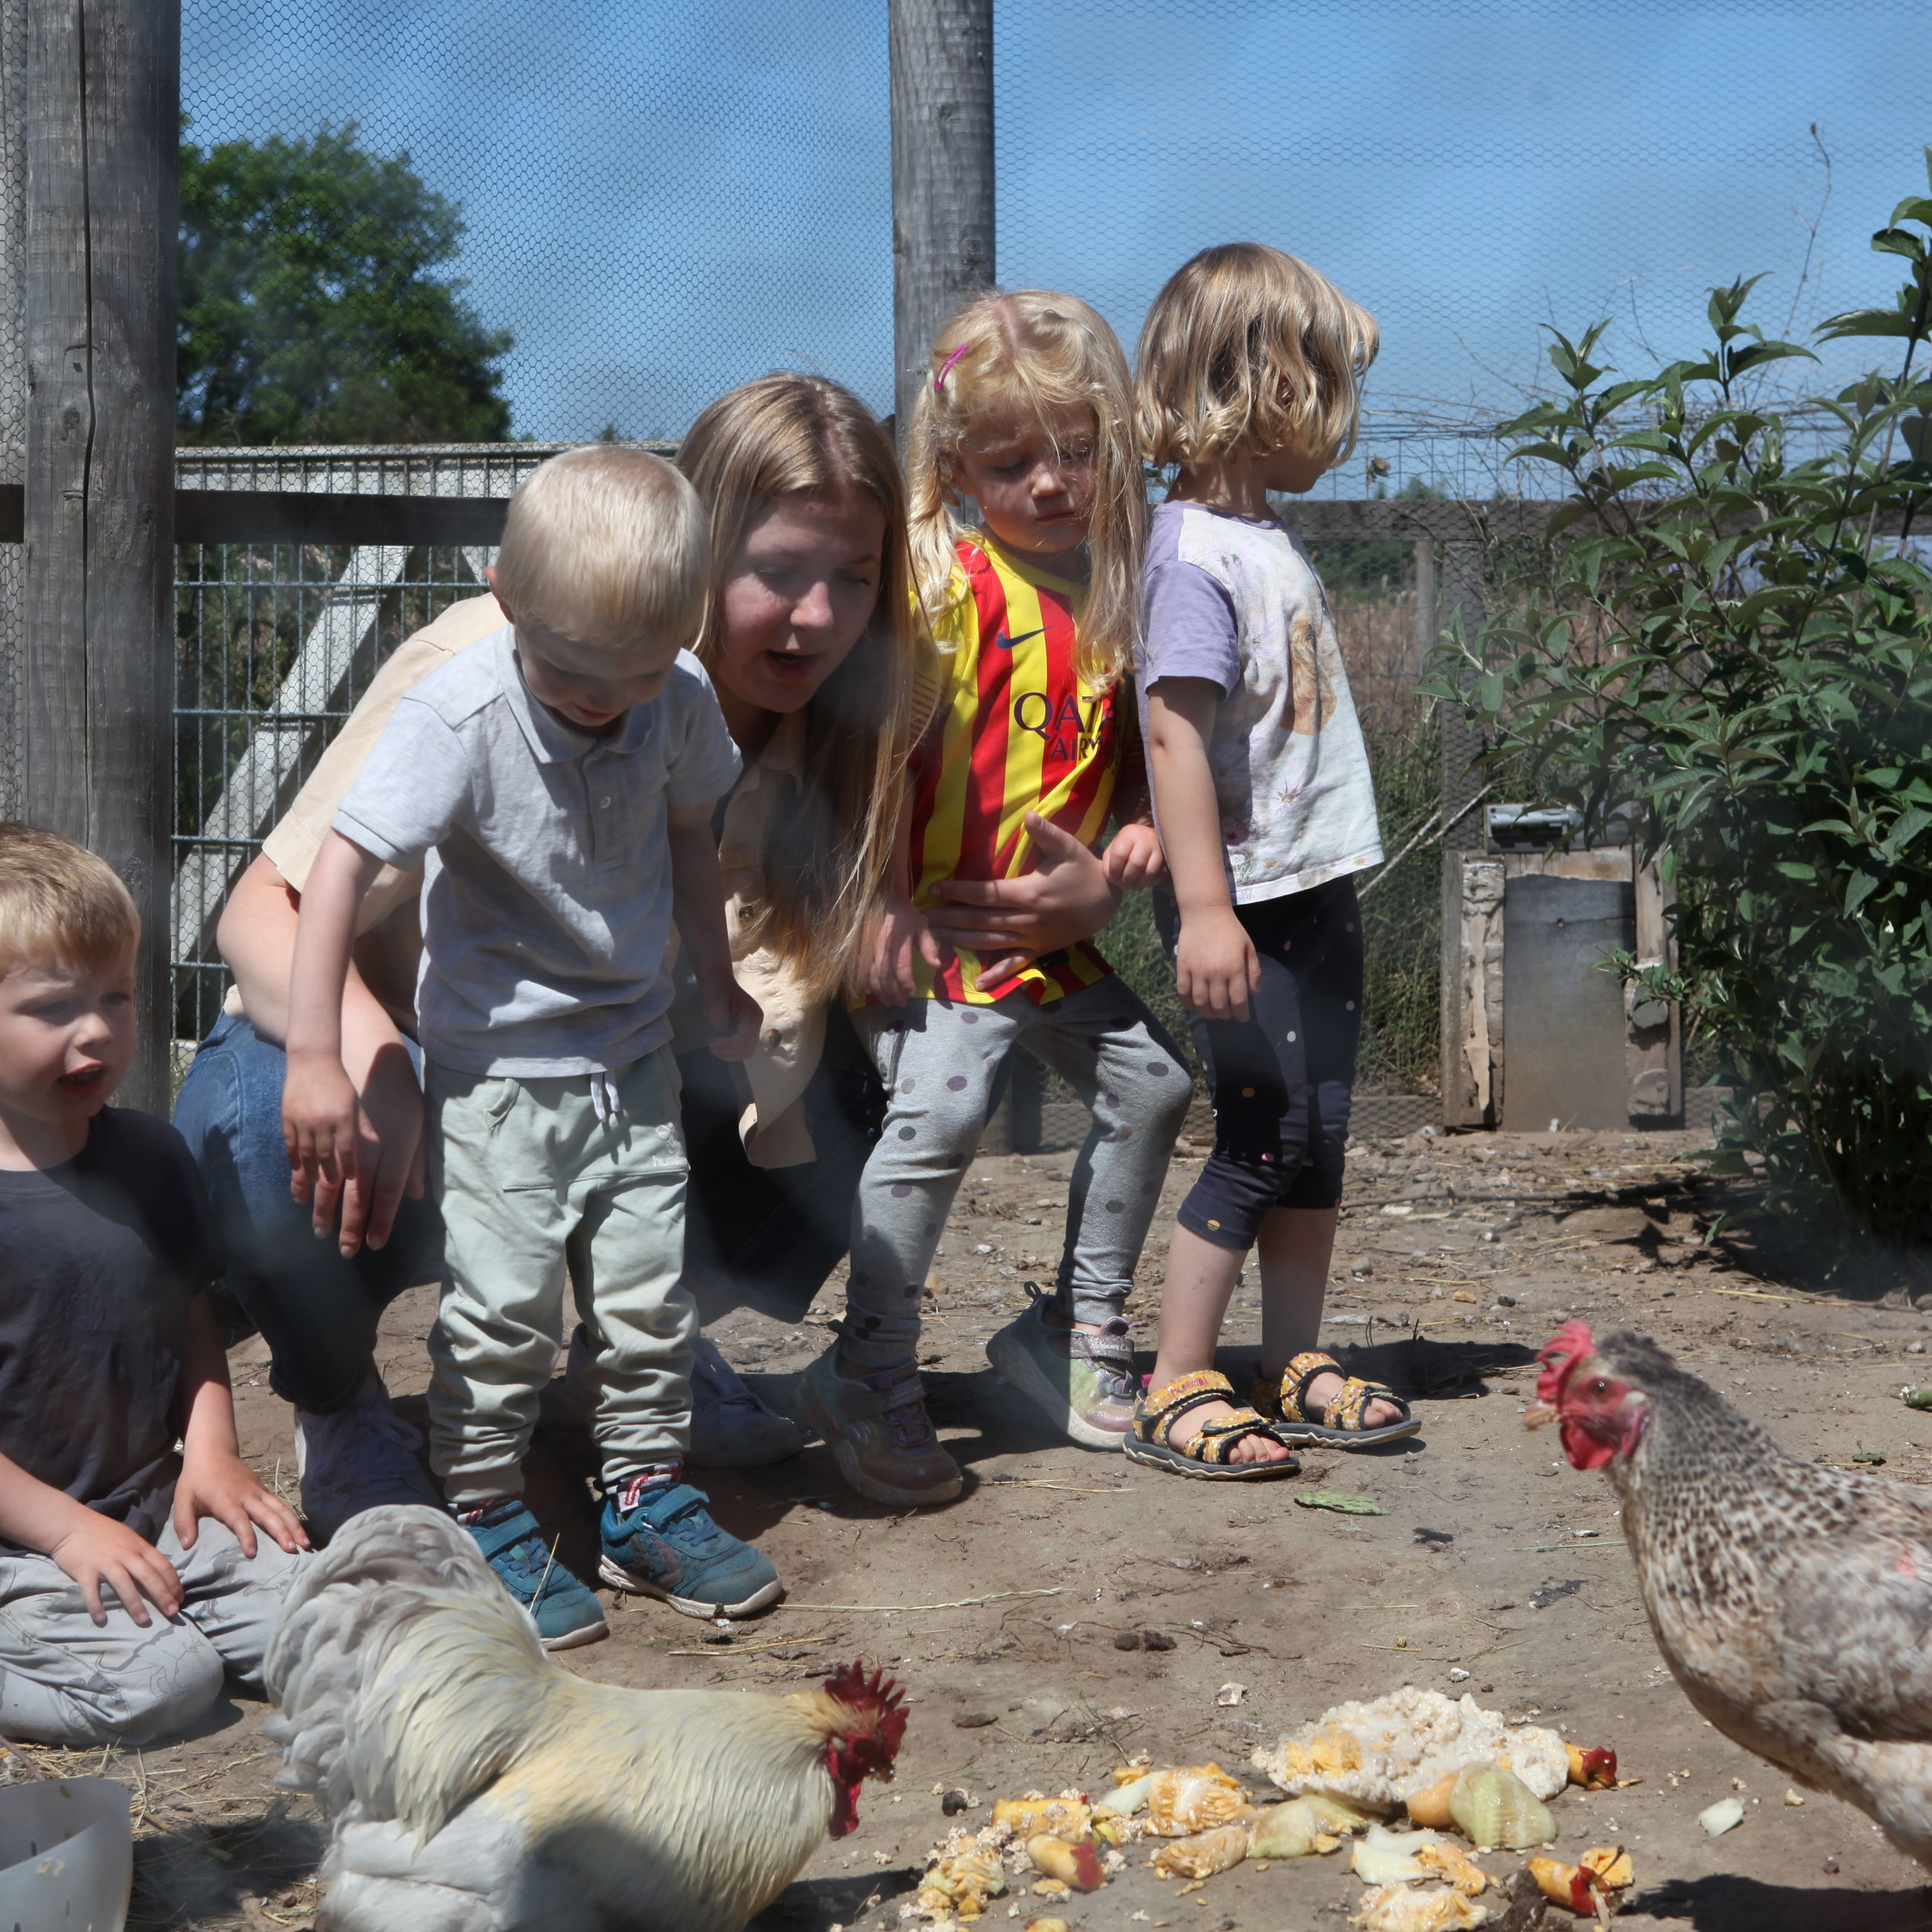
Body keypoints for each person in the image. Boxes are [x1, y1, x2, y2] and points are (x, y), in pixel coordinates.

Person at [177, 375, 1124, 1533]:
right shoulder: (510, 657)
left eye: (854, 577)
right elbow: (256, 910)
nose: (817, 617)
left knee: (880, 1072)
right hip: (424, 1056)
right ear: (699, 547)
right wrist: (366, 1054)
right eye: (778, 570)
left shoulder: (858, 711)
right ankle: (341, 1407)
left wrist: (1094, 894)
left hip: (616, 1065)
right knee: (267, 1134)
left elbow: (1032, 826)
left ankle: (626, 1357)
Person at [280, 444, 776, 1647]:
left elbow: (694, 832)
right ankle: (486, 1505)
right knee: (504, 1308)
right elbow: (339, 866)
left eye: (636, 676)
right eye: (572, 675)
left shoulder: (681, 694)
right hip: (499, 1072)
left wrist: (718, 975)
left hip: (633, 1055)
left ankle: (645, 1495)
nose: (604, 703)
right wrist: (315, 1052)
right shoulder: (460, 711)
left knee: (653, 1294)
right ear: (502, 594)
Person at [800, 289, 1193, 1509]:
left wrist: (1136, 832)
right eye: (1013, 460)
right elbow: (861, 751)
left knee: (1158, 1085)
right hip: (952, 931)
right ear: (960, 465)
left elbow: (1134, 753)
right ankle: (869, 1367)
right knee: (943, 1119)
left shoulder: (1119, 591)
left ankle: (1074, 1335)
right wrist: (871, 899)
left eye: (1077, 453)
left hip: (1052, 940)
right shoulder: (949, 589)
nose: (1051, 483)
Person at [1125, 243, 1419, 1479]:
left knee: (1320, 1135)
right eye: (1327, 383)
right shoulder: (1192, 552)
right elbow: (1173, 733)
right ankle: (1179, 1377)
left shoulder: (1263, 539)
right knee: (1259, 1131)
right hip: (1240, 900)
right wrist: (1202, 908)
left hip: (1314, 887)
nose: (1341, 418)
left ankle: (1290, 1359)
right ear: (1270, 388)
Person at [0, 823, 309, 1745]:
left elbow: (190, 1316)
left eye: (118, 996)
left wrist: (211, 1454)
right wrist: (63, 1533)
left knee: (332, 1625)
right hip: (20, 1546)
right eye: (54, 1007)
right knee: (163, 1686)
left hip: (152, 1503)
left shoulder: (151, 1154)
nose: (97, 1028)